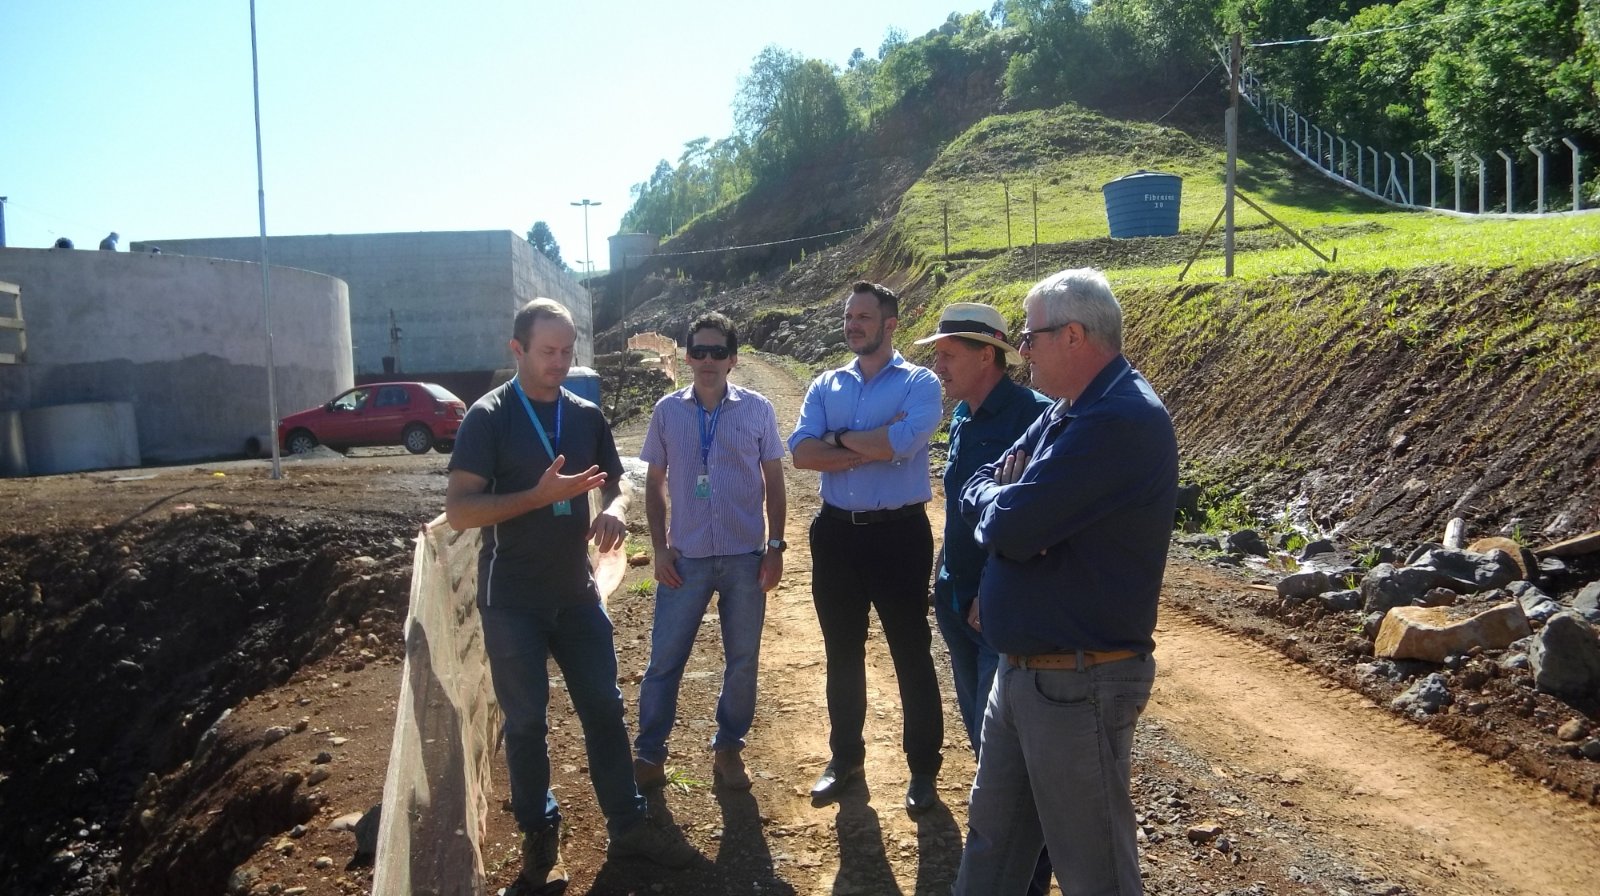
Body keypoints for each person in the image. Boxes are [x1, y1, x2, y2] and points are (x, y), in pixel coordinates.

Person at [445, 298, 696, 893]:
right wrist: (536, 495)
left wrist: (612, 512)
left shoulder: (584, 415)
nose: (560, 363)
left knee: (604, 709)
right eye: (547, 352)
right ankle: (540, 840)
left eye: (567, 352)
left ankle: (628, 825)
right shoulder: (489, 417)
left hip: (576, 593)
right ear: (517, 350)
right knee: (528, 722)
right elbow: (459, 511)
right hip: (511, 599)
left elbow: (616, 485)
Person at [953, 269, 1178, 895]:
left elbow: (1014, 525)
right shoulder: (1068, 410)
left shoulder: (1121, 419)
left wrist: (1009, 506)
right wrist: (1007, 501)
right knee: (990, 855)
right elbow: (981, 482)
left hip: (1079, 683)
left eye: (1030, 338)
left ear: (1074, 335)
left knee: (1094, 873)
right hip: (1026, 673)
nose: (1021, 352)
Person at [789, 280, 945, 814]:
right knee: (842, 653)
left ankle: (924, 770)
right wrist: (868, 445)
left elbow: (901, 443)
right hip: (836, 535)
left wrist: (838, 440)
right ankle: (845, 759)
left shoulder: (921, 382)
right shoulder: (825, 384)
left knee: (910, 652)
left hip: (900, 535)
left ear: (890, 323)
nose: (853, 324)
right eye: (849, 316)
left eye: (864, 316)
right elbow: (802, 455)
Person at [632, 312, 787, 793]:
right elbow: (654, 484)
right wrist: (659, 549)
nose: (707, 360)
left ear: (733, 359)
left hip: (745, 555)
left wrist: (775, 547)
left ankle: (728, 749)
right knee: (664, 660)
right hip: (687, 558)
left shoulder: (757, 409)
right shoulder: (667, 412)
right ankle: (649, 755)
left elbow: (775, 483)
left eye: (717, 351)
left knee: (743, 660)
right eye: (698, 350)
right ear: (686, 355)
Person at [912, 302, 1049, 754]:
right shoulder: (962, 417)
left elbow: (1033, 522)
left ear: (986, 355)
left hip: (998, 609)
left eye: (949, 355)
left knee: (1000, 742)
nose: (939, 366)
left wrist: (990, 588)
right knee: (978, 734)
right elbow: (959, 507)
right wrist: (942, 573)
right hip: (956, 600)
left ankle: (1006, 825)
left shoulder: (1035, 419)